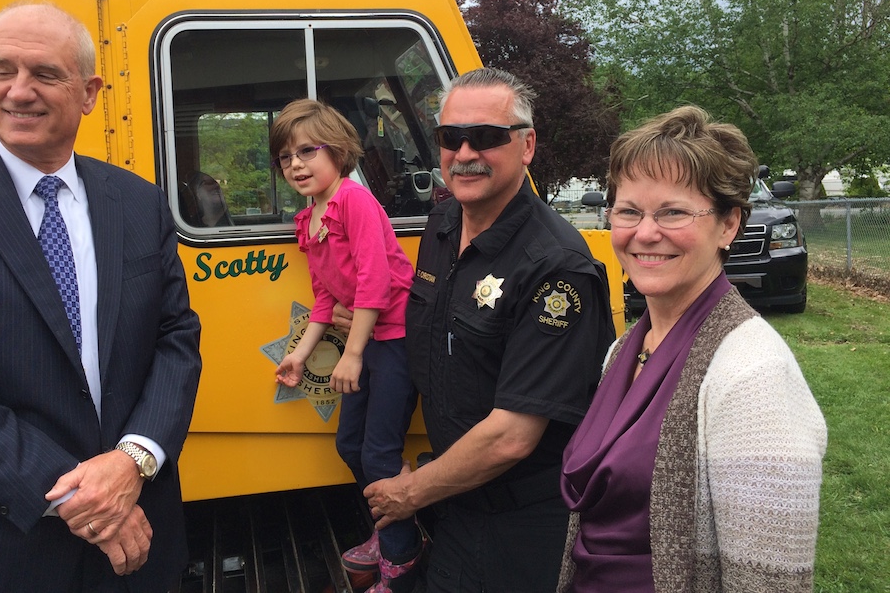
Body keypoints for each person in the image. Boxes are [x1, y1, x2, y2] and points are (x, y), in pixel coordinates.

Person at [0, 2, 202, 592]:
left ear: (89, 92)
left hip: (136, 543)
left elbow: (175, 340)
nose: (19, 91)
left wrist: (133, 460)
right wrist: (85, 495)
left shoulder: (138, 204)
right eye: (2, 70)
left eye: (45, 74)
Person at [360, 67, 616, 593]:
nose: (465, 152)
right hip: (452, 499)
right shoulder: (443, 224)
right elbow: (428, 347)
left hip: (518, 522)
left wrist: (409, 495)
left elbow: (512, 438)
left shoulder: (556, 267)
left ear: (527, 146)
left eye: (487, 137)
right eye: (450, 137)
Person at [558, 106, 827, 592]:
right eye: (628, 211)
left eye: (673, 212)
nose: (644, 233)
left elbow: (769, 583)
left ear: (728, 225)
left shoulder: (753, 377)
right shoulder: (624, 350)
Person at [268, 99, 423, 593]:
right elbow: (324, 298)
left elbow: (375, 281)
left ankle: (401, 561)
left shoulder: (352, 201)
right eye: (285, 157)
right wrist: (300, 353)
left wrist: (353, 353)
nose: (296, 164)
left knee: (378, 454)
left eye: (307, 151)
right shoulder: (308, 220)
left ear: (337, 150)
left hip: (393, 339)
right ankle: (392, 524)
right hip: (366, 337)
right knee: (350, 445)